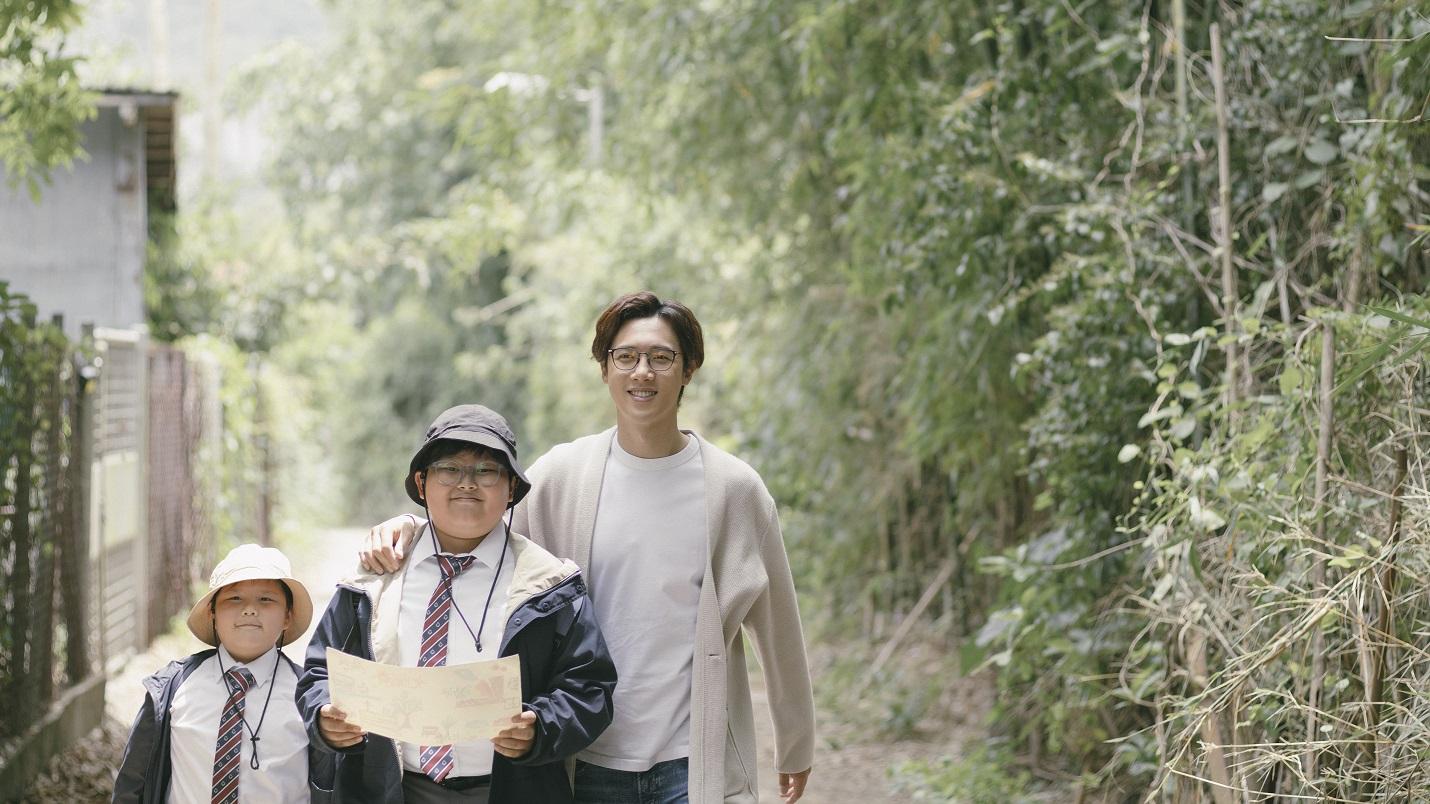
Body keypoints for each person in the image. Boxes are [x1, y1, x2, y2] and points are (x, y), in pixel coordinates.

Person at [362, 292, 815, 804]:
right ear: (605, 369)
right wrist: (409, 527)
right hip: (580, 756)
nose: (642, 372)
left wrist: (795, 741)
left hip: (690, 759)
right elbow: (479, 538)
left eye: (661, 357)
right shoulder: (562, 476)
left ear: (688, 369)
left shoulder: (733, 489)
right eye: (626, 357)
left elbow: (778, 623)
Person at [300, 404, 616, 803]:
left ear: (511, 488)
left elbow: (590, 687)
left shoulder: (549, 585)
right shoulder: (374, 579)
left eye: (487, 471)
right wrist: (324, 719)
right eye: (449, 469)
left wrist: (541, 727)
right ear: (422, 482)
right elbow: (319, 671)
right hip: (392, 790)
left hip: (510, 790)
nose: (467, 484)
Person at [112, 543, 323, 804]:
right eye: (234, 599)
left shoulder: (308, 697)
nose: (249, 609)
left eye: (266, 599)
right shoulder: (174, 689)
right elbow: (133, 782)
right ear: (213, 613)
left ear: (287, 617)